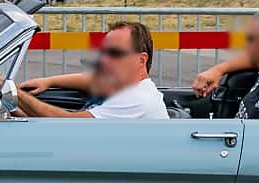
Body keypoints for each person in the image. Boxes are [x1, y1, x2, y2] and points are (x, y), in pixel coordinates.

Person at [12, 21, 165, 119]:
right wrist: (48, 81)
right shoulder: (125, 85)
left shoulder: (136, 99)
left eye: (115, 53)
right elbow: (92, 80)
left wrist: (14, 94)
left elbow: (69, 125)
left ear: (141, 60)